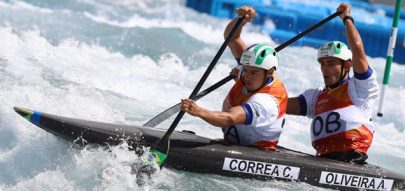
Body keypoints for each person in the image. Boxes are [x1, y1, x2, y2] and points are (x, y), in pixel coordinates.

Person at [180, 7, 288, 151]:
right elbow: (232, 37)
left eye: (253, 73)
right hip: (233, 143)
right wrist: (242, 20)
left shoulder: (267, 102)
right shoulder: (253, 67)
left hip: (256, 152)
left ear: (269, 73)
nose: (246, 76)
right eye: (246, 70)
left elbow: (230, 118)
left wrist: (199, 111)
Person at [286, 3, 379, 164]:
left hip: (352, 162)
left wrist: (347, 19)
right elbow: (278, 105)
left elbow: (357, 48)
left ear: (347, 66)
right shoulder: (315, 97)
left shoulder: (360, 89)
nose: (325, 69)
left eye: (331, 63)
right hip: (323, 161)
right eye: (322, 63)